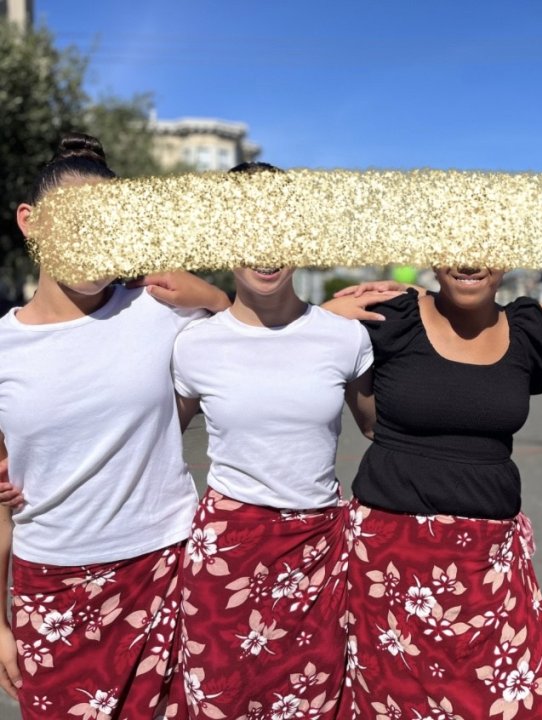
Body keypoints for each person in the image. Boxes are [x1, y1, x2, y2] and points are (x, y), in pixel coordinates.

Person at [0, 132, 230, 718]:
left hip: (167, 572)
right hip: (49, 587)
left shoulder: (159, 308)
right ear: (31, 221)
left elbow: (256, 346)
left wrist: (214, 296)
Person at [171, 161, 381, 719]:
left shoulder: (345, 337)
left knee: (313, 701)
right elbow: (149, 438)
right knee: (222, 701)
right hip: (226, 557)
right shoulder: (193, 344)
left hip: (319, 550)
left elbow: (380, 427)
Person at [337, 266, 542, 719]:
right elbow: (366, 420)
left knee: (510, 700)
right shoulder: (388, 319)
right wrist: (320, 315)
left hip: (490, 564)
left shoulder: (529, 330)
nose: (469, 261)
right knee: (391, 703)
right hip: (390, 560)